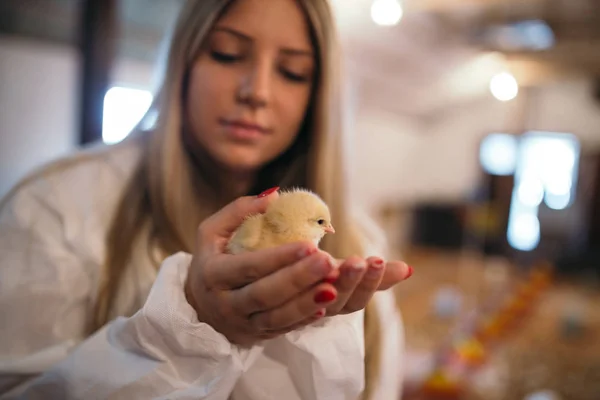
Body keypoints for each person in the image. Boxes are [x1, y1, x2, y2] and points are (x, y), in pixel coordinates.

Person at [0, 0, 411, 398]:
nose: (258, 92)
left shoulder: (360, 242)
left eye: (292, 71)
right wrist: (194, 324)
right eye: (227, 54)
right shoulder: (61, 207)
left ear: (317, 95)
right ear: (184, 59)